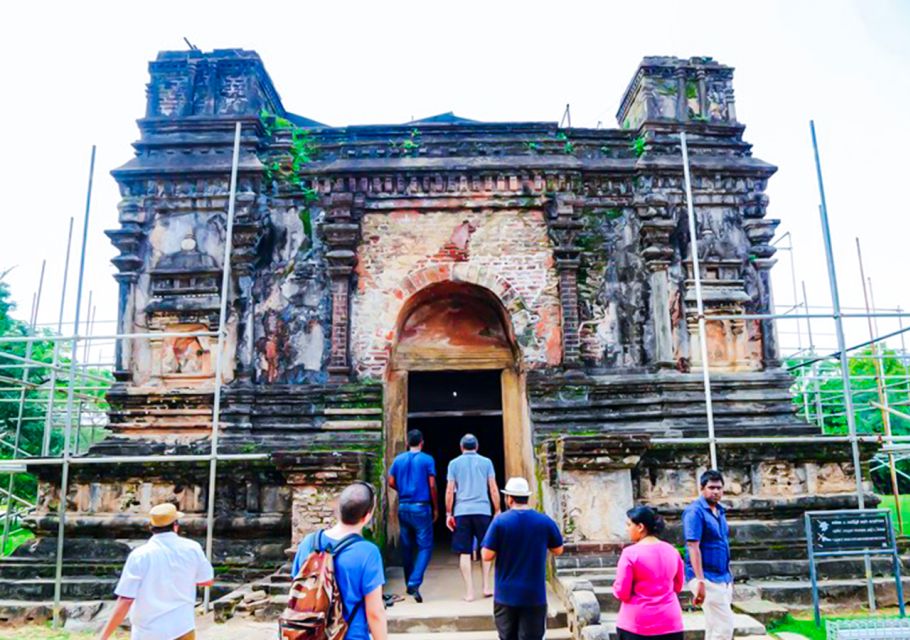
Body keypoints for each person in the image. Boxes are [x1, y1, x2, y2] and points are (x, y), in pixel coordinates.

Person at [98, 503, 215, 640]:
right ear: (176, 526)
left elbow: (125, 599)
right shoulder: (192, 548)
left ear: (151, 528)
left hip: (148, 631)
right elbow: (207, 581)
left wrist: (104, 636)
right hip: (182, 627)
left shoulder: (140, 555)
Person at [290, 482, 387, 640]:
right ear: (368, 516)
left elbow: (296, 590)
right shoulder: (368, 553)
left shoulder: (308, 543)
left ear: (337, 509)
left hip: (309, 635)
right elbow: (375, 613)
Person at [481, 477, 564, 640]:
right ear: (527, 497)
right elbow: (558, 550)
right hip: (534, 595)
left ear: (509, 498)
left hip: (505, 595)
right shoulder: (544, 521)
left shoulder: (500, 522)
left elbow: (486, 555)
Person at [612, 506, 684, 640]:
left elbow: (622, 592)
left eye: (629, 525)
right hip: (670, 622)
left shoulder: (630, 553)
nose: (627, 529)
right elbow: (678, 586)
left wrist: (615, 588)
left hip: (637, 623)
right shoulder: (672, 551)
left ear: (640, 527)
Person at [445, 433, 500, 601]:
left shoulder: (454, 464)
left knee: (464, 551)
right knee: (486, 548)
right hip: (483, 510)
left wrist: (449, 512)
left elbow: (449, 490)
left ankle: (469, 592)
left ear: (461, 447)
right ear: (477, 447)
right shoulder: (486, 462)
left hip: (462, 511)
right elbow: (493, 487)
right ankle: (486, 587)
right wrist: (497, 509)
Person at [683, 470, 734, 640]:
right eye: (711, 487)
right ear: (702, 488)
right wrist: (700, 581)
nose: (716, 491)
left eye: (719, 488)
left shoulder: (720, 511)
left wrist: (729, 577)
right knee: (724, 628)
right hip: (705, 576)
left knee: (714, 626)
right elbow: (693, 546)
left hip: (722, 576)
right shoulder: (695, 512)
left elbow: (722, 543)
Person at [388, 428, 438, 602]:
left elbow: (391, 481)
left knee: (407, 546)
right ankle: (414, 582)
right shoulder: (427, 460)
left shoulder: (398, 459)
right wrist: (436, 507)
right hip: (421, 507)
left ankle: (409, 581)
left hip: (403, 506)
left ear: (407, 443)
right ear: (422, 442)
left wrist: (402, 491)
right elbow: (432, 485)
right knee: (425, 546)